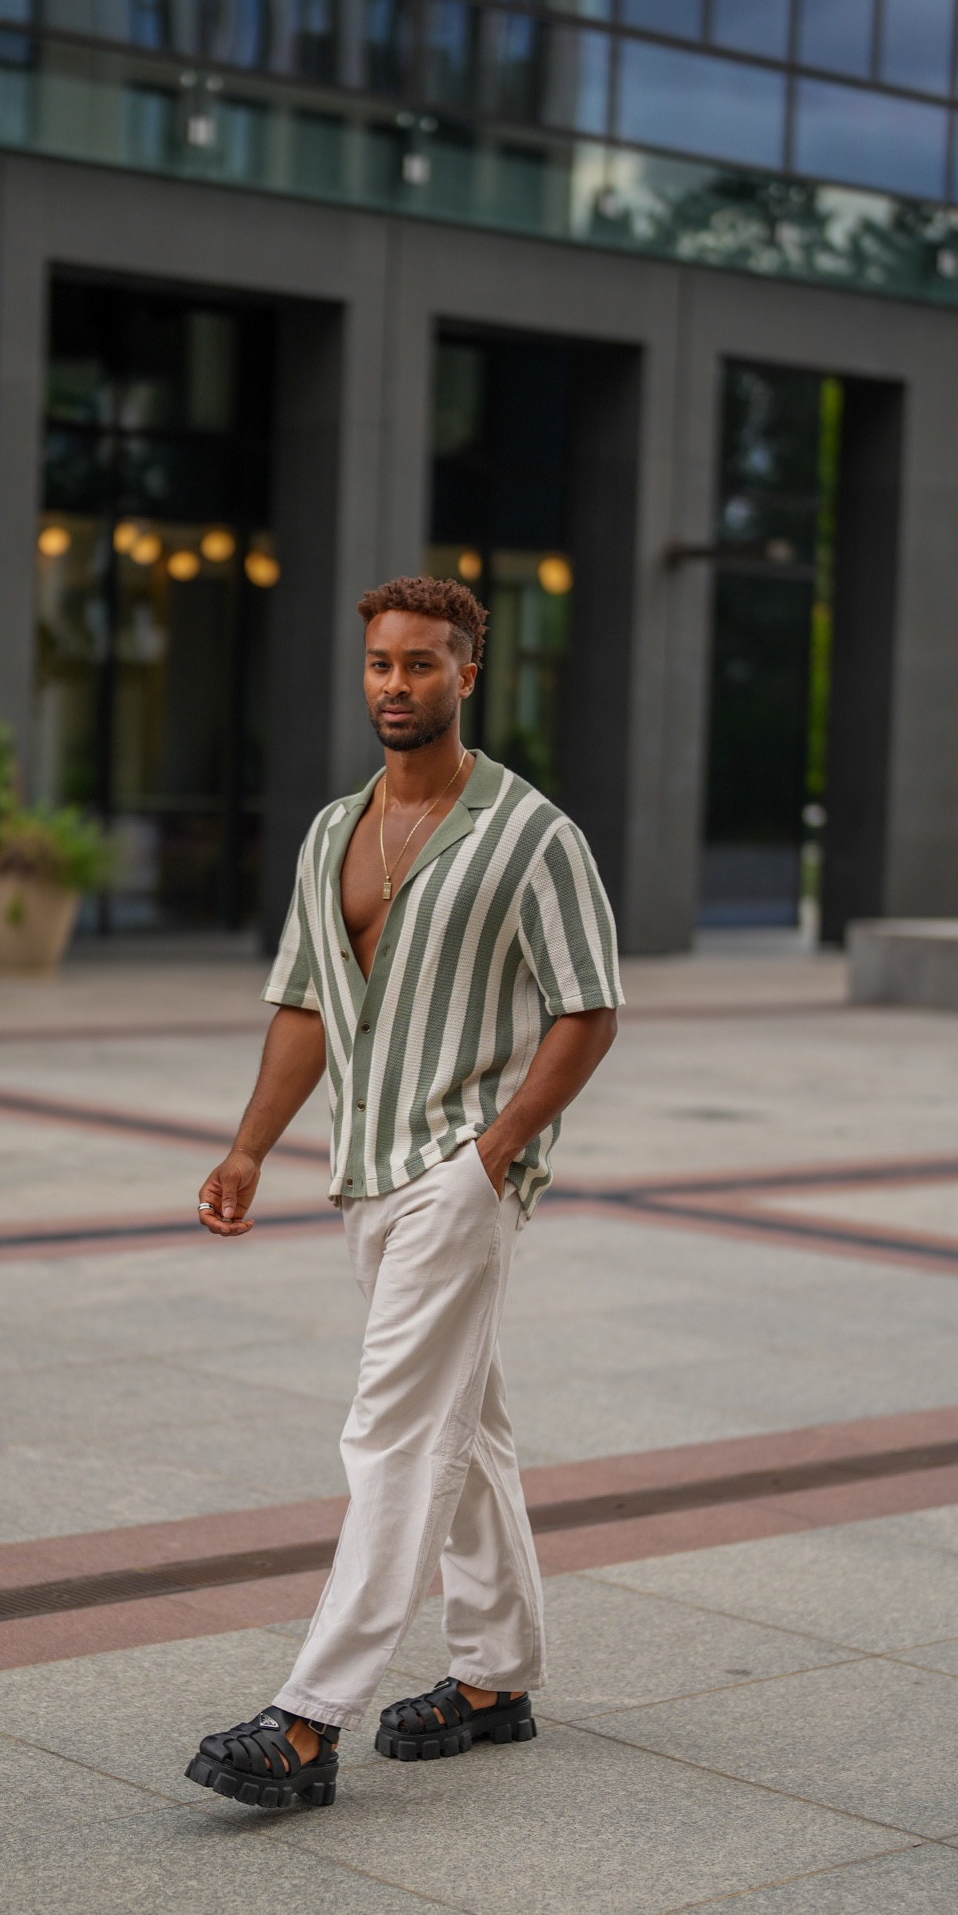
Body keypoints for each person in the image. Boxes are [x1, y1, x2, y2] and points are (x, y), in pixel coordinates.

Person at [186, 575, 622, 1810]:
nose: (395, 683)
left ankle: (308, 1716)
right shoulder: (334, 832)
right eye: (380, 663)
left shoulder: (531, 832)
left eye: (421, 664)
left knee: (391, 1429)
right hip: (364, 1171)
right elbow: (306, 1003)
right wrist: (248, 1147)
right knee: (467, 1428)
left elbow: (589, 1005)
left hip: (455, 1172)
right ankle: (494, 1675)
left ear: (466, 673)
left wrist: (497, 1151)